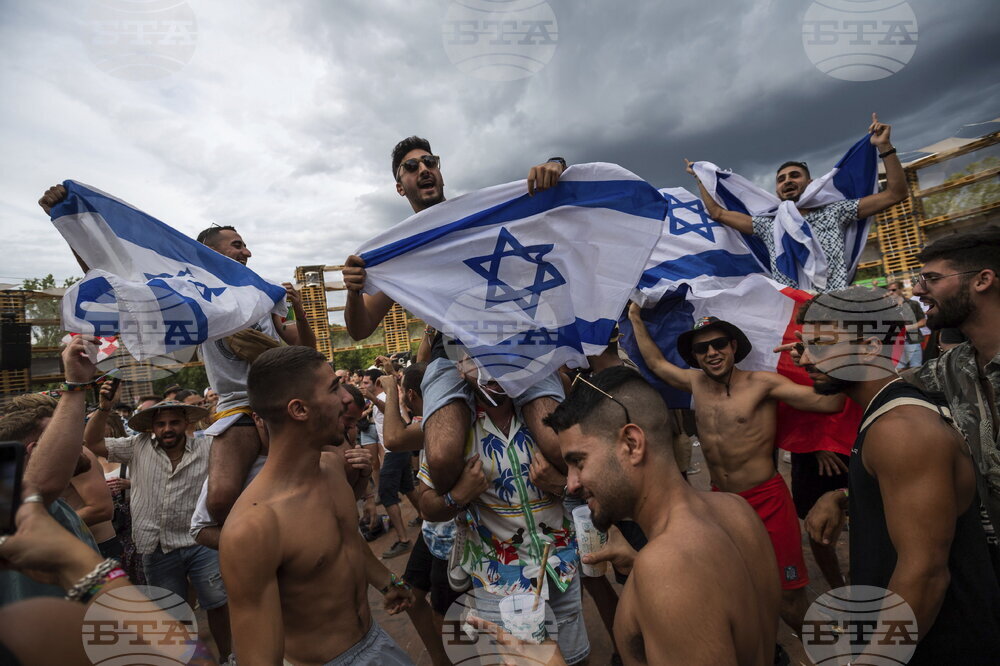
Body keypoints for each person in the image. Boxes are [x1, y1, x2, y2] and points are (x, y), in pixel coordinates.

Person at [342, 137, 569, 496]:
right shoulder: (400, 253)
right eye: (412, 167)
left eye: (429, 162)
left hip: (514, 345)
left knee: (558, 445)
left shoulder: (479, 217)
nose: (424, 169)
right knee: (443, 457)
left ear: (440, 172)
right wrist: (354, 291)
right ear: (400, 188)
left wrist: (556, 164)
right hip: (452, 358)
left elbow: (547, 209)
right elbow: (360, 328)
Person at [799, 287, 1000, 664]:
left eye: (822, 345)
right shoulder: (892, 410)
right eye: (806, 344)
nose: (806, 357)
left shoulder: (900, 429)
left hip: (943, 644)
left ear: (872, 348)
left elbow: (925, 573)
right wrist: (843, 495)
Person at [540, 366, 781, 665]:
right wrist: (641, 564)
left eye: (578, 461)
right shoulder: (736, 509)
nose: (572, 483)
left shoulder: (667, 569)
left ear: (632, 444)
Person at [628, 304, 845, 633]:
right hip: (724, 505)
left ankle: (829, 653)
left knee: (789, 600)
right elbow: (657, 363)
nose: (712, 353)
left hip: (768, 502)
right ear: (695, 356)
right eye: (702, 348)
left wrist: (820, 358)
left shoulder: (763, 384)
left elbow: (832, 402)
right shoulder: (695, 383)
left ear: (734, 347)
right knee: (746, 589)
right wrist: (633, 317)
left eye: (719, 344)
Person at [220, 346, 414, 665]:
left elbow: (347, 541)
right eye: (334, 389)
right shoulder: (253, 528)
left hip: (376, 642)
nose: (347, 400)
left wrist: (387, 582)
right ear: (299, 410)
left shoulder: (332, 468)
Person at [418, 355, 590, 665]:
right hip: (498, 583)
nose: (490, 367)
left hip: (560, 568)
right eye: (477, 359)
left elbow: (590, 477)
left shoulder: (546, 416)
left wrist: (560, 483)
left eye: (500, 356)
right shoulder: (451, 430)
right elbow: (427, 505)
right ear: (460, 367)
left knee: (575, 659)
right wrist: (458, 496)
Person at [82, 388, 231, 658]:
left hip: (201, 541)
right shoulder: (136, 446)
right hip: (155, 546)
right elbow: (91, 443)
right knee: (172, 614)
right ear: (152, 427)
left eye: (174, 422)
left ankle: (228, 658)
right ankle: (187, 660)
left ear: (186, 423)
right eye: (161, 424)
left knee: (218, 603)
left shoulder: (207, 447)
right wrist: (104, 409)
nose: (167, 429)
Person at [687, 113, 908, 291]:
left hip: (835, 307)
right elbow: (718, 213)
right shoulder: (768, 224)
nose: (787, 181)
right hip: (793, 313)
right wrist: (701, 178)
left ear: (809, 182)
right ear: (776, 189)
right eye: (781, 179)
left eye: (794, 176)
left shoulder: (834, 211)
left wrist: (884, 147)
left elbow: (895, 194)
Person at [193, 224, 317, 529]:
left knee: (324, 478)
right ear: (211, 254)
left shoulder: (265, 294)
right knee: (219, 501)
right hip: (237, 410)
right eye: (237, 245)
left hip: (280, 404)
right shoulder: (195, 298)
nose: (247, 252)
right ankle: (252, 552)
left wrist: (297, 308)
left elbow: (306, 347)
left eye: (245, 245)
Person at [903, 228, 1000, 542]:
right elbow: (879, 384)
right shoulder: (953, 365)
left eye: (931, 278)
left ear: (982, 280)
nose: (918, 290)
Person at [0, 341, 103, 605]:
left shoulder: (54, 506)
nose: (78, 442)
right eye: (61, 436)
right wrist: (76, 385)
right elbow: (42, 484)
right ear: (35, 451)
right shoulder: (16, 510)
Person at [887, 279, 926, 368]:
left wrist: (909, 327)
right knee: (899, 370)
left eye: (894, 290)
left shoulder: (913, 304)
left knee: (916, 369)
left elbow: (923, 321)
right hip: (896, 343)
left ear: (900, 289)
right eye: (889, 290)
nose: (891, 292)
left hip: (912, 341)